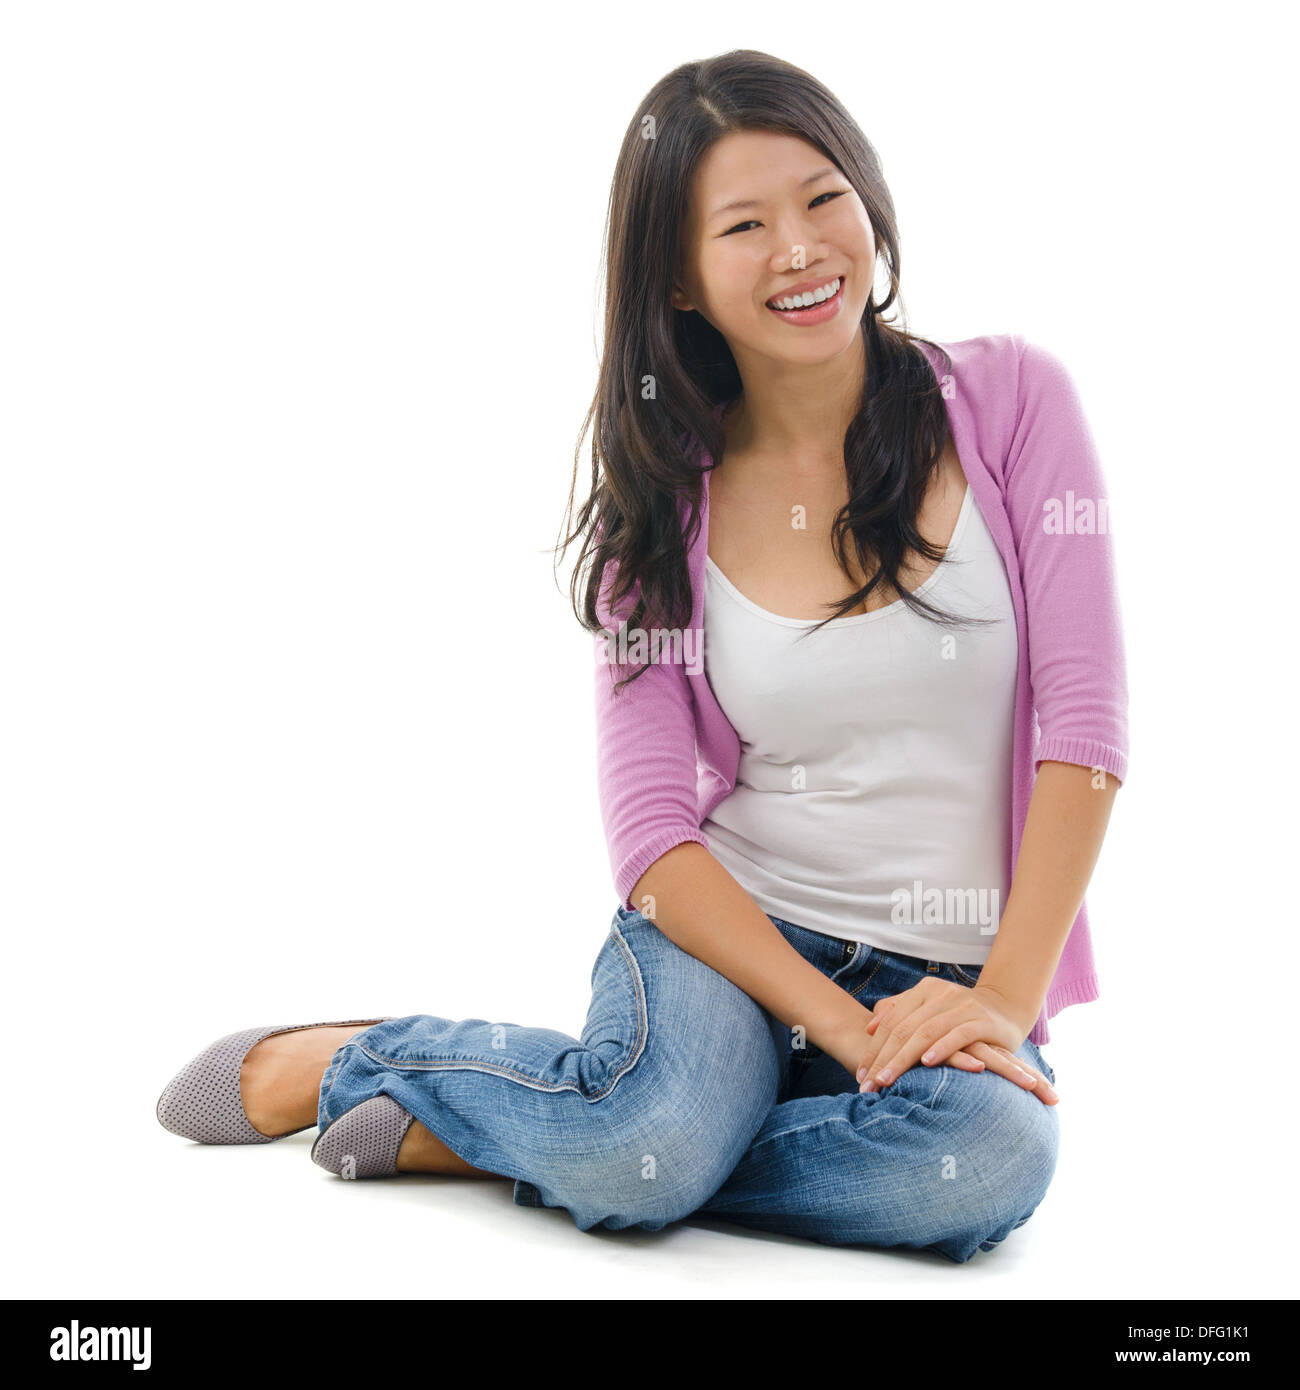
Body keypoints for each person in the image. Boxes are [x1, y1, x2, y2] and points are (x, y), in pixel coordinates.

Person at [156, 49, 1128, 1263]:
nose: (800, 249)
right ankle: (370, 1062)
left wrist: (1001, 1002)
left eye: (824, 198)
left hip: (951, 969)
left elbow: (1081, 730)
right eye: (743, 225)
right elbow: (654, 836)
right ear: (678, 278)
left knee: (985, 1159)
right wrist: (838, 1023)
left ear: (869, 200)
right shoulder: (661, 504)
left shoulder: (1012, 401)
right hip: (733, 941)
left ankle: (499, 1124)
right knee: (644, 1140)